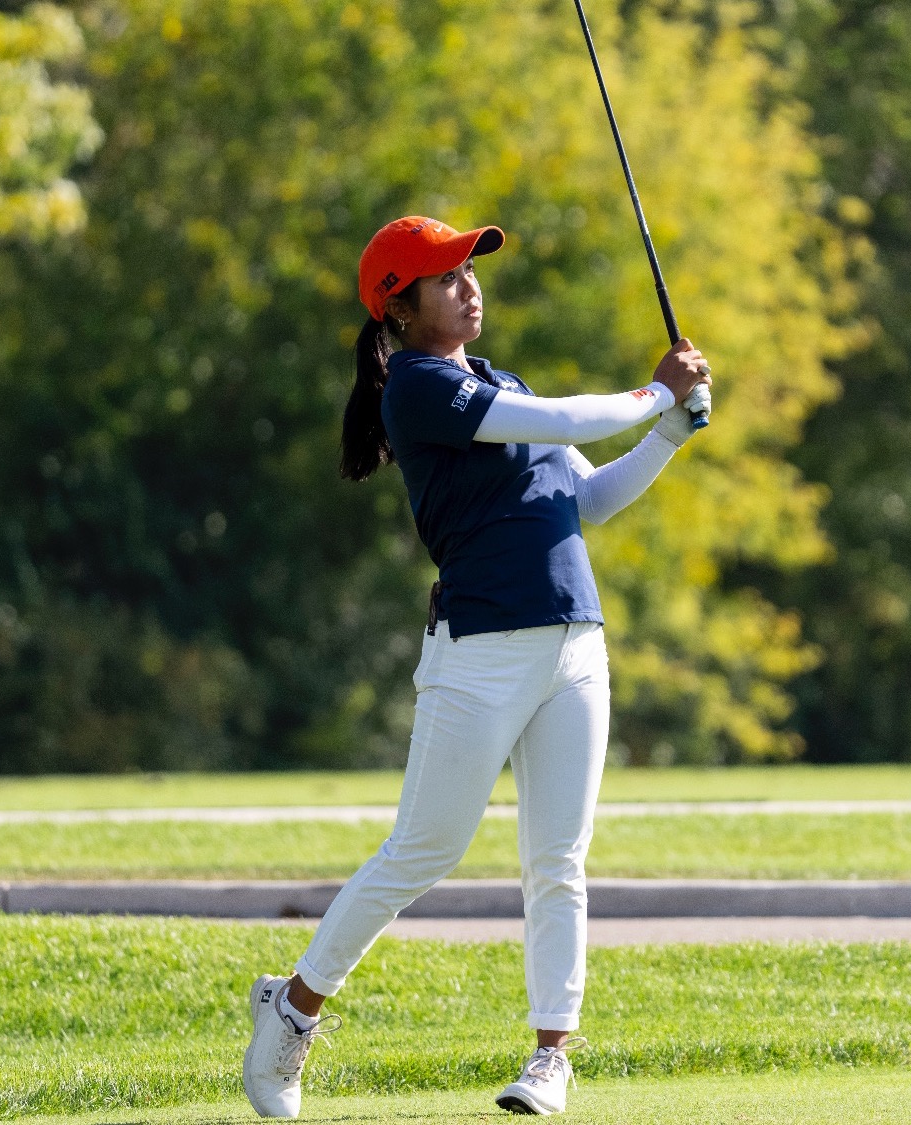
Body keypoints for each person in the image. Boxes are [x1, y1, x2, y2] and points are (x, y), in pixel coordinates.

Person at [242, 216, 711, 1118]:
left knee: (559, 860)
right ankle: (292, 1008)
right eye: (446, 276)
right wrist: (657, 393)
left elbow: (587, 497)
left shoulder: (502, 381)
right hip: (479, 652)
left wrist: (666, 437)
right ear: (399, 308)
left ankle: (551, 1056)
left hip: (575, 644)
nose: (468, 285)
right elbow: (567, 420)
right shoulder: (419, 389)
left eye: (468, 270)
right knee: (424, 850)